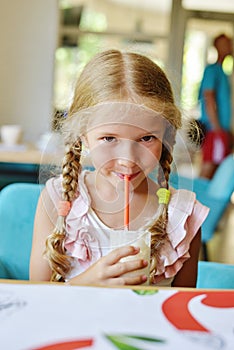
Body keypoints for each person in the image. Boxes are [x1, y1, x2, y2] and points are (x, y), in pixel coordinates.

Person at [30, 49, 209, 287]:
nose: (128, 159)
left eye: (146, 139)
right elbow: (37, 299)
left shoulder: (183, 216)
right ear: (83, 135)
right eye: (109, 138)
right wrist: (87, 284)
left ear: (165, 135)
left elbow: (180, 308)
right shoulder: (55, 201)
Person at [198, 33, 233, 179]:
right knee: (209, 168)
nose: (230, 47)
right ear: (217, 47)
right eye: (226, 43)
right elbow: (209, 98)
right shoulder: (212, 70)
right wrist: (217, 128)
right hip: (214, 130)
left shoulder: (223, 73)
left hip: (222, 130)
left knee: (218, 170)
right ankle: (195, 199)